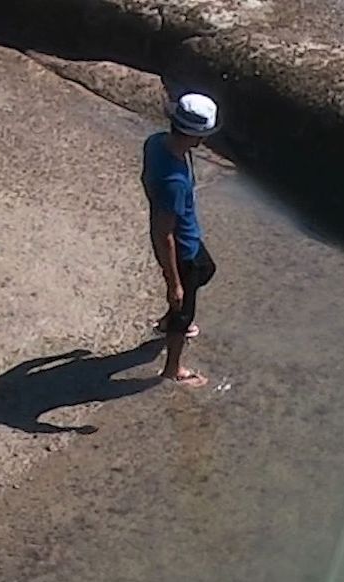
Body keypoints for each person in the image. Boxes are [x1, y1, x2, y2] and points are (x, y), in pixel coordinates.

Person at [142, 92, 220, 387]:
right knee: (183, 312)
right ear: (197, 137)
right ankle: (173, 368)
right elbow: (164, 234)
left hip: (189, 236)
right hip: (184, 248)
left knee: (208, 269)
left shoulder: (155, 142)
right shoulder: (173, 181)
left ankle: (168, 320)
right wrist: (173, 282)